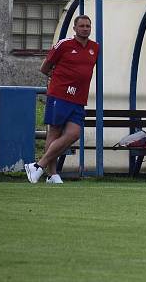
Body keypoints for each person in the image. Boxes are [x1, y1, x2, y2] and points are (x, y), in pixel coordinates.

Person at [24, 15, 99, 184]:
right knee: (55, 131)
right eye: (82, 26)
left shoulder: (95, 47)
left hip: (79, 98)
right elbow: (45, 67)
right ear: (75, 28)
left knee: (74, 133)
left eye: (88, 26)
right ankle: (52, 174)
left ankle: (38, 166)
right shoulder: (64, 44)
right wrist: (60, 80)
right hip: (60, 95)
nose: (85, 28)